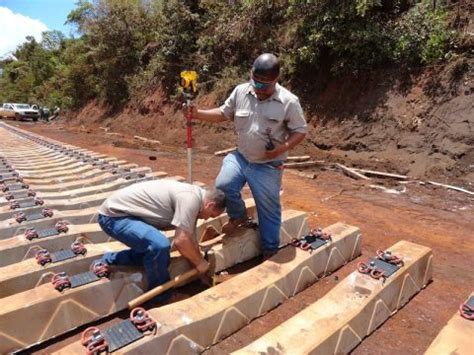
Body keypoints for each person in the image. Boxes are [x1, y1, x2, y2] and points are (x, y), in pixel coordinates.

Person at [188, 53, 307, 259]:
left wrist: (280, 149)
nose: (258, 89)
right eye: (256, 83)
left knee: (268, 209)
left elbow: (300, 131)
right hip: (241, 157)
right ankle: (238, 217)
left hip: (268, 164)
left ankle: (269, 250)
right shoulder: (241, 91)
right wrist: (197, 113)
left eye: (264, 86)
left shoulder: (288, 101)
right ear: (251, 75)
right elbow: (223, 114)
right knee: (224, 184)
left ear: (276, 80)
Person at [97, 179, 226, 301]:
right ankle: (161, 297)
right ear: (210, 205)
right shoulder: (190, 199)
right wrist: (199, 262)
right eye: (211, 215)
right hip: (115, 216)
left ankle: (110, 260)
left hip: (126, 214)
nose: (206, 219)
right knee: (159, 246)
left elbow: (191, 241)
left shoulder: (196, 200)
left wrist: (201, 274)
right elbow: (181, 241)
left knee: (156, 256)